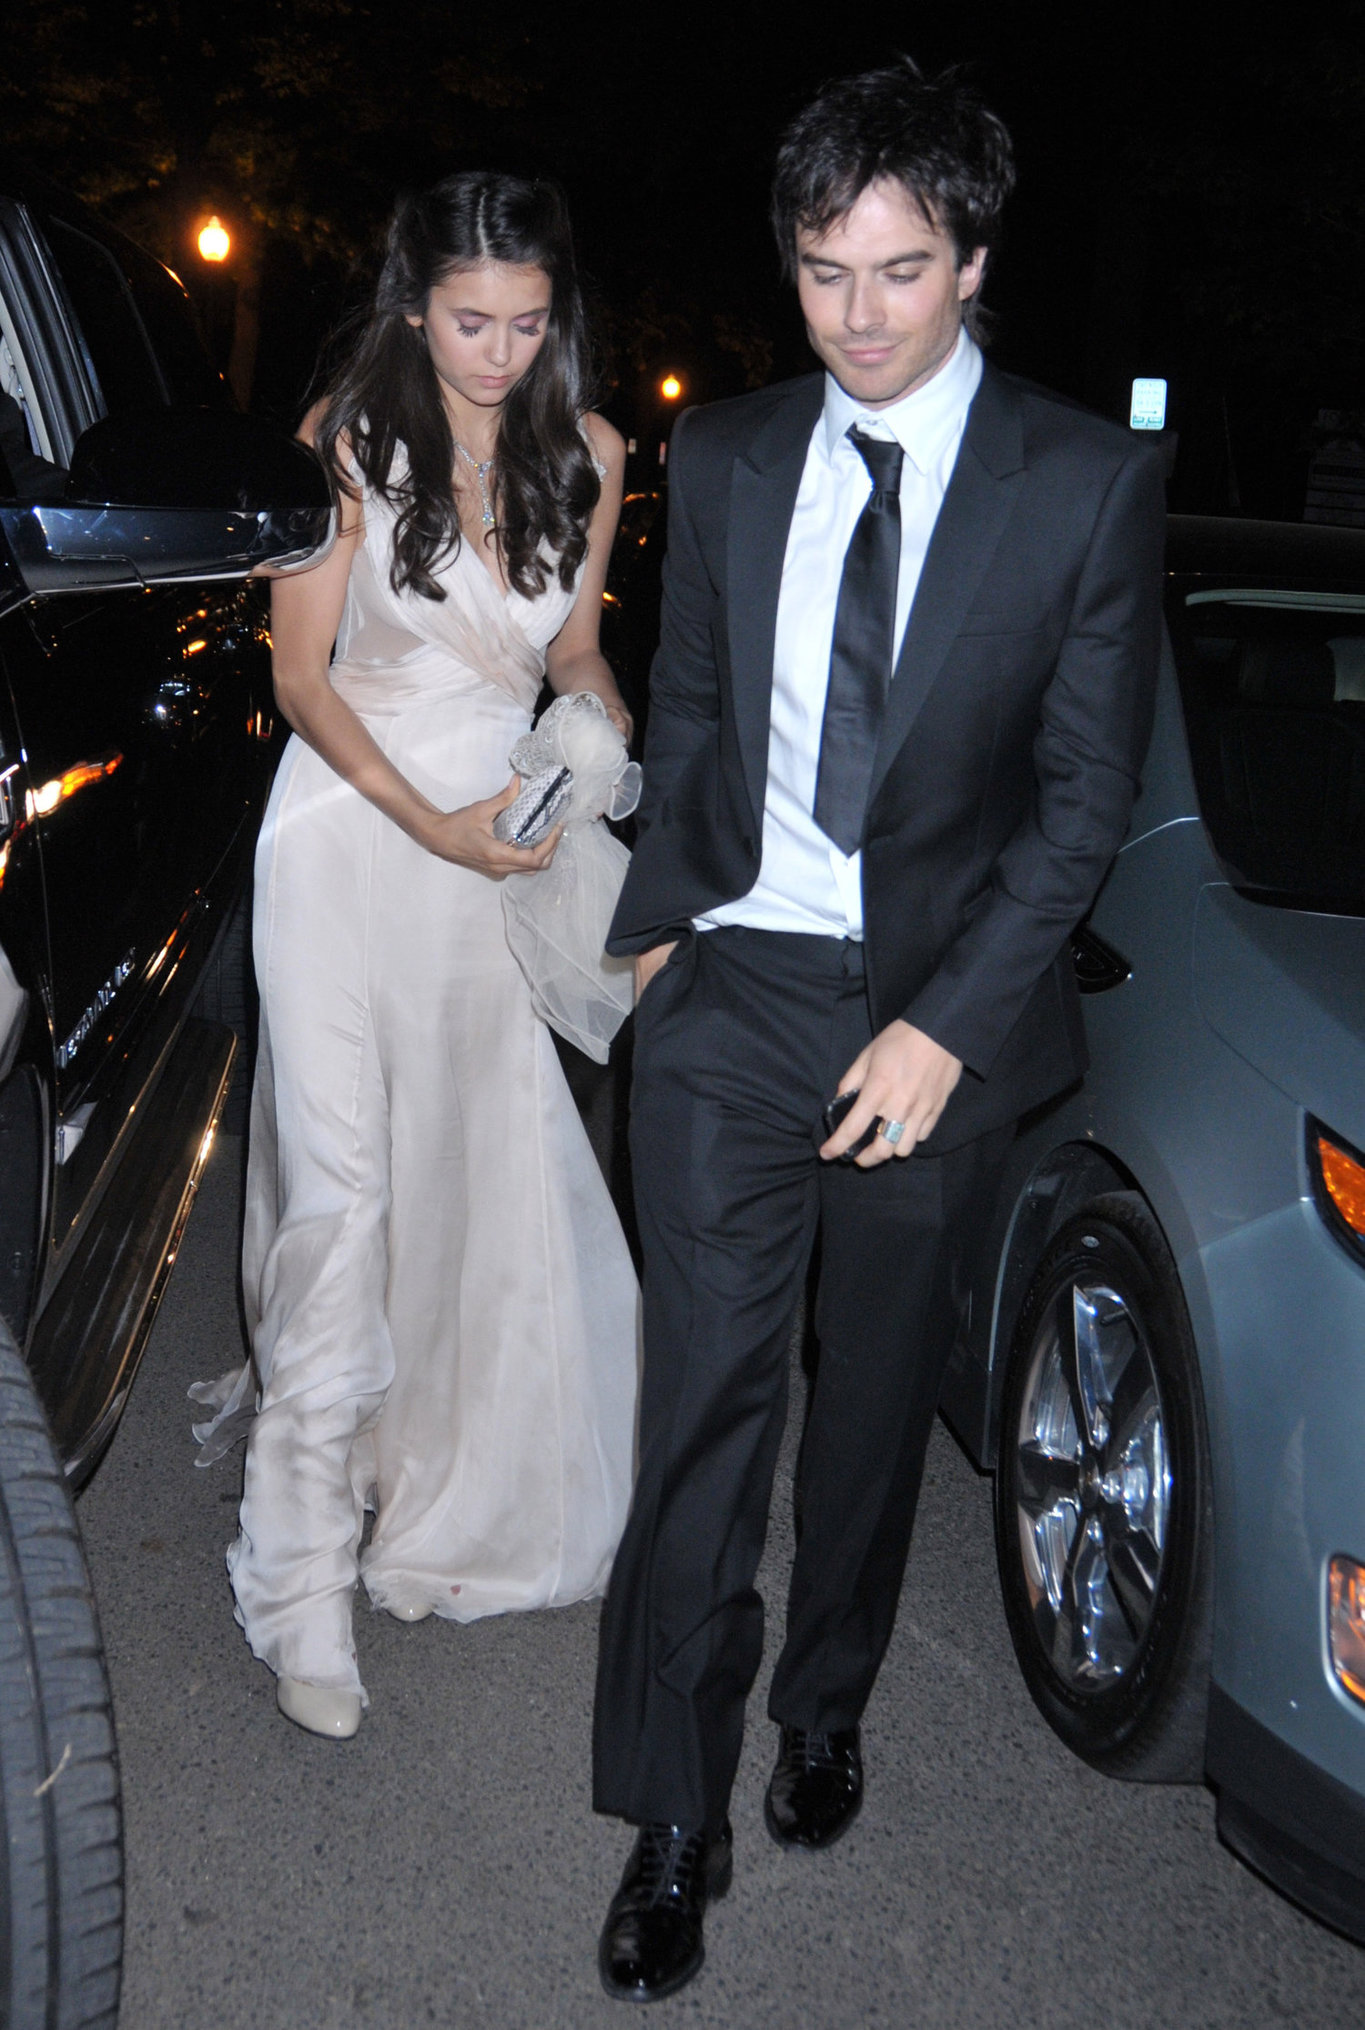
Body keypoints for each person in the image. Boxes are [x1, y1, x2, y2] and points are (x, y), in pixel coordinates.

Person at [591, 57, 1166, 2001]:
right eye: (823, 269)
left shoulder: (1080, 482)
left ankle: (821, 1697)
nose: (854, 313)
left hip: (935, 1022)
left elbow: (1081, 799)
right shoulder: (740, 452)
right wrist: (660, 938)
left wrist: (941, 1024)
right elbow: (682, 709)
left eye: (898, 271)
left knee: (860, 1409)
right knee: (702, 1409)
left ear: (971, 263)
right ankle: (670, 1802)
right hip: (731, 1003)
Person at [196, 172, 639, 1741]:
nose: (500, 351)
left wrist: (593, 716)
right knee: (344, 1185)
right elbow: (301, 679)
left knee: (462, 1172)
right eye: (470, 320)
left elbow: (571, 641)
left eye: (528, 323)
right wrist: (423, 820)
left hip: (486, 859)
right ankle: (298, 1576)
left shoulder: (589, 457)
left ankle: (434, 1475)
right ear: (410, 303)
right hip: (344, 834)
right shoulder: (346, 441)